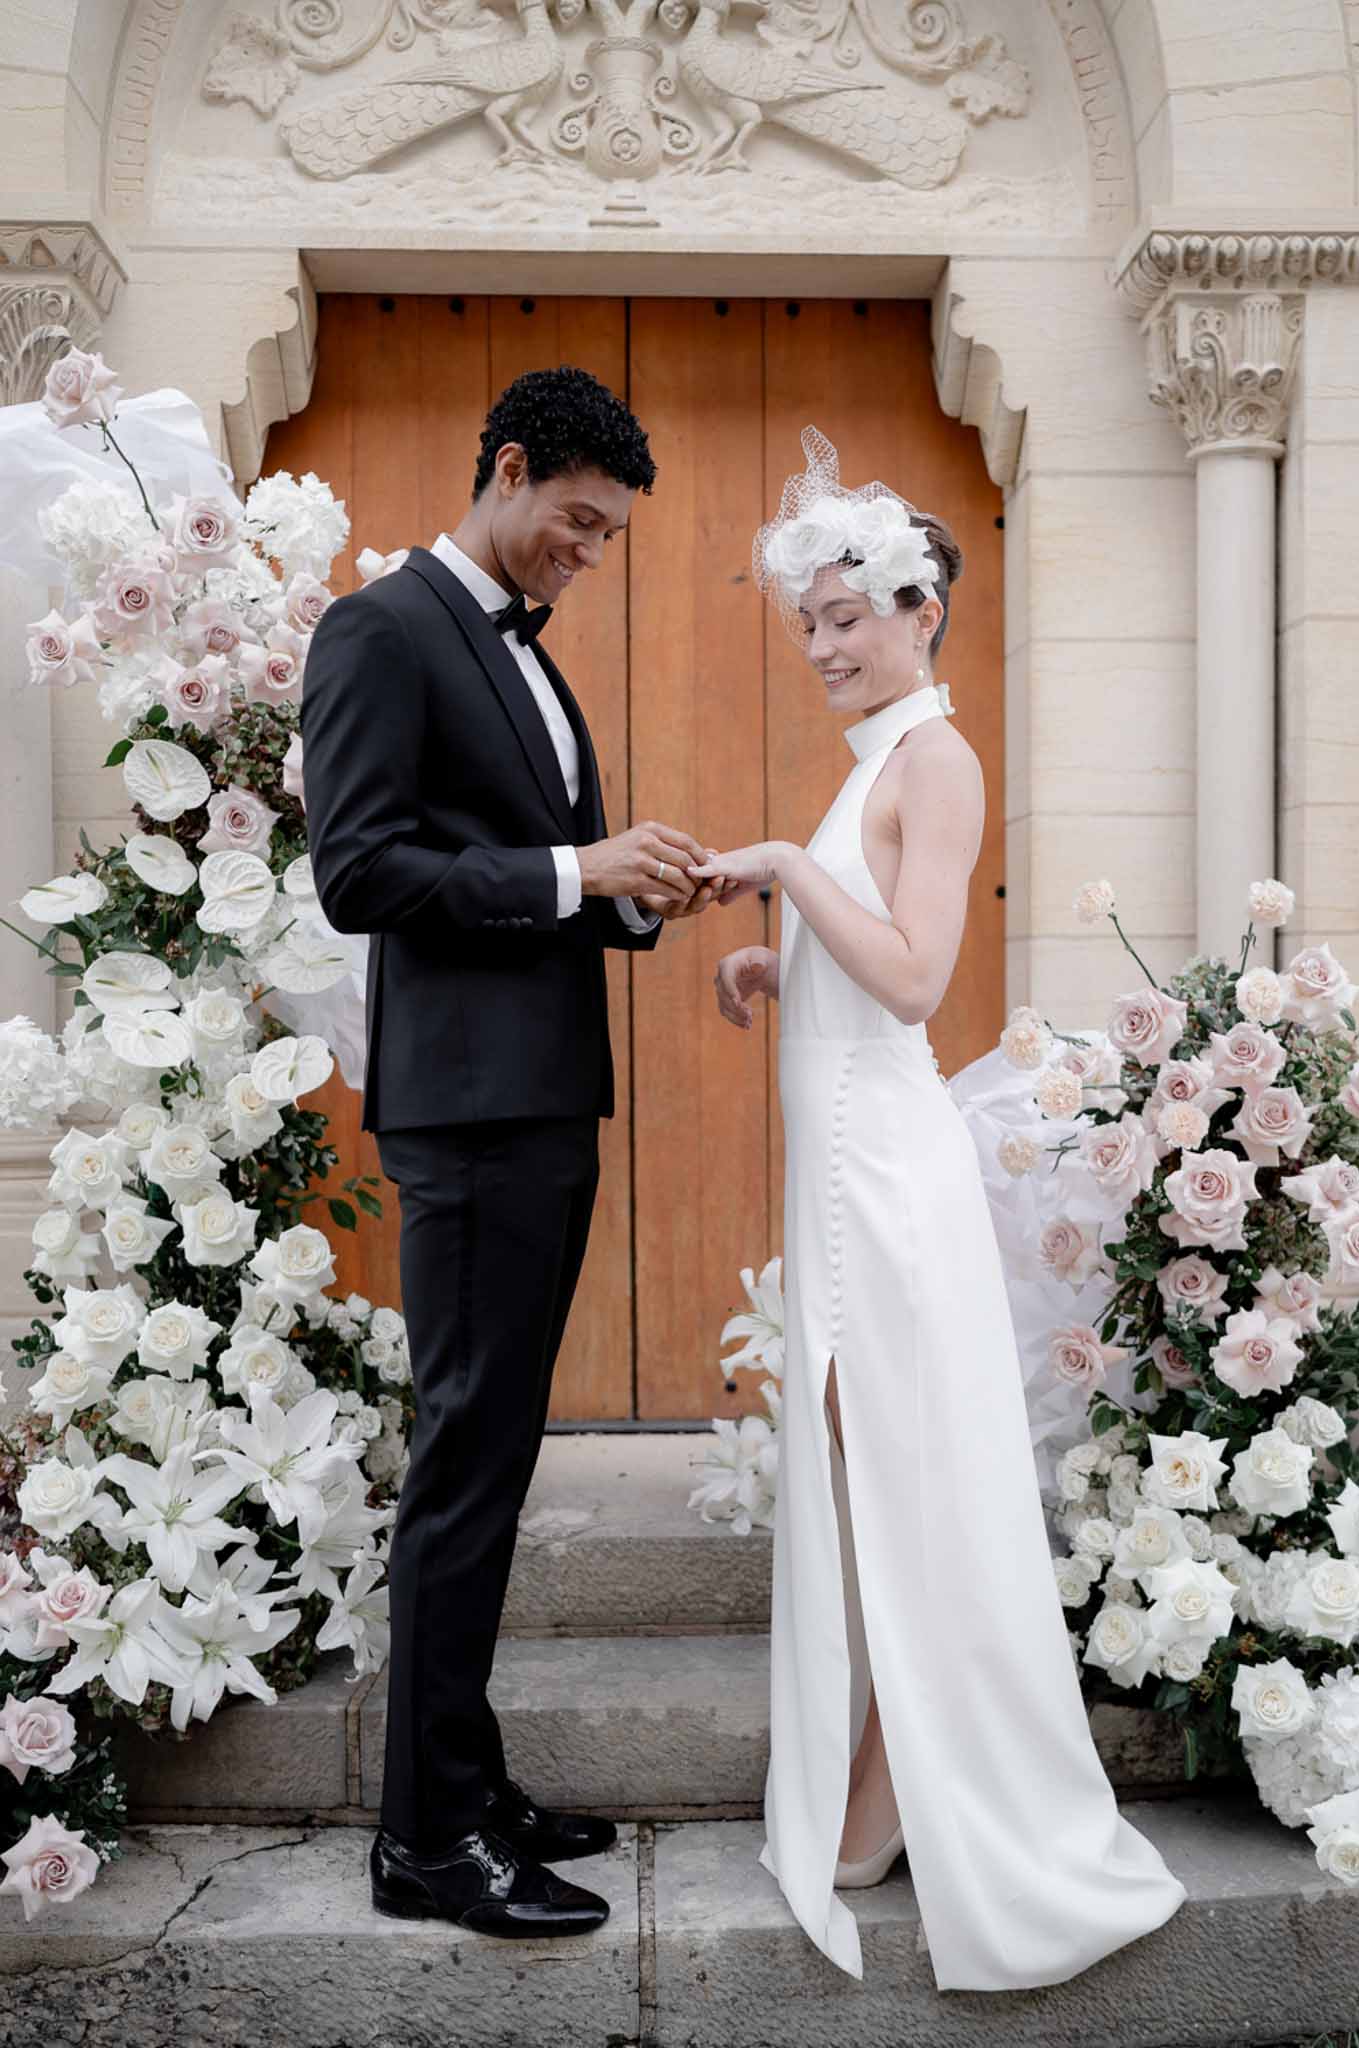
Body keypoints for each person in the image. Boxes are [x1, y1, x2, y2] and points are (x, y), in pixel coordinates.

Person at [691, 428, 1187, 1992]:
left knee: (903, 1481)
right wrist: (787, 958)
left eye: (849, 615)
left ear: (919, 609)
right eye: (809, 623)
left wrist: (777, 868)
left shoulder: (940, 759)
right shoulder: (884, 769)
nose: (824, 644)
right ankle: (884, 1767)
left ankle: (902, 1783)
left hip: (883, 1181)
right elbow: (867, 958)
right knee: (869, 1481)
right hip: (842, 1171)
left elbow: (914, 979)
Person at [301, 366, 717, 1939]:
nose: (586, 555)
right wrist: (570, 869)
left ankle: (465, 1784)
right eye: (577, 523)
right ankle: (424, 1842)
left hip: (540, 1103)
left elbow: (533, 871)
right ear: (508, 465)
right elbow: (360, 871)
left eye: (608, 540)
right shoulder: (382, 628)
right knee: (464, 1466)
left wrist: (626, 889)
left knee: (494, 1456)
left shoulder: (522, 655)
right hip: (466, 1117)